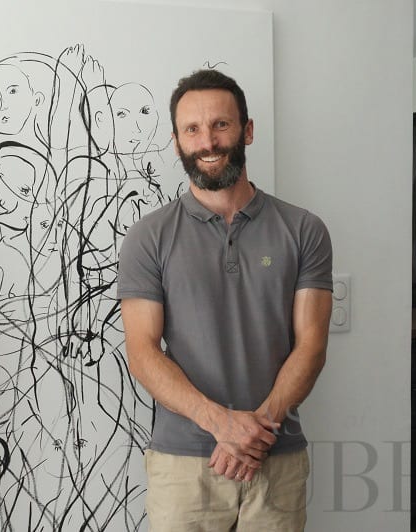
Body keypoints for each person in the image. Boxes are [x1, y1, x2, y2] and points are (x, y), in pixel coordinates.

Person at [117, 69, 333, 531]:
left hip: (276, 457)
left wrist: (258, 429)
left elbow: (312, 345)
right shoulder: (147, 238)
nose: (208, 142)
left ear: (247, 130)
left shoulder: (304, 230)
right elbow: (142, 351)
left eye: (220, 124)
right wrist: (222, 425)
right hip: (184, 465)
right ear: (177, 142)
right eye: (192, 129)